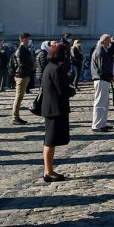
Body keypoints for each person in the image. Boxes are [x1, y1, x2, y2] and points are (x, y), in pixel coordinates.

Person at [40, 42, 75, 182]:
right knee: (50, 141)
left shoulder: (50, 67)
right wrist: (72, 88)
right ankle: (48, 171)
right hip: (55, 109)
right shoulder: (56, 69)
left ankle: (48, 169)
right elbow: (63, 90)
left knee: (50, 140)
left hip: (50, 108)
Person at [90, 33, 114, 132]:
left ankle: (102, 123)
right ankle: (97, 124)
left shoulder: (103, 50)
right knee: (100, 103)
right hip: (101, 79)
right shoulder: (100, 51)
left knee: (104, 103)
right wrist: (111, 76)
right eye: (109, 41)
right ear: (104, 41)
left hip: (104, 79)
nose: (110, 43)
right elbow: (102, 68)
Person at [9, 32, 35, 124]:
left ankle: (17, 116)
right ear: (24, 39)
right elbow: (21, 64)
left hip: (26, 75)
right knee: (18, 97)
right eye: (28, 39)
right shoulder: (20, 50)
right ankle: (15, 117)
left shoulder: (26, 49)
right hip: (21, 75)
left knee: (20, 97)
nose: (30, 41)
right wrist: (31, 67)